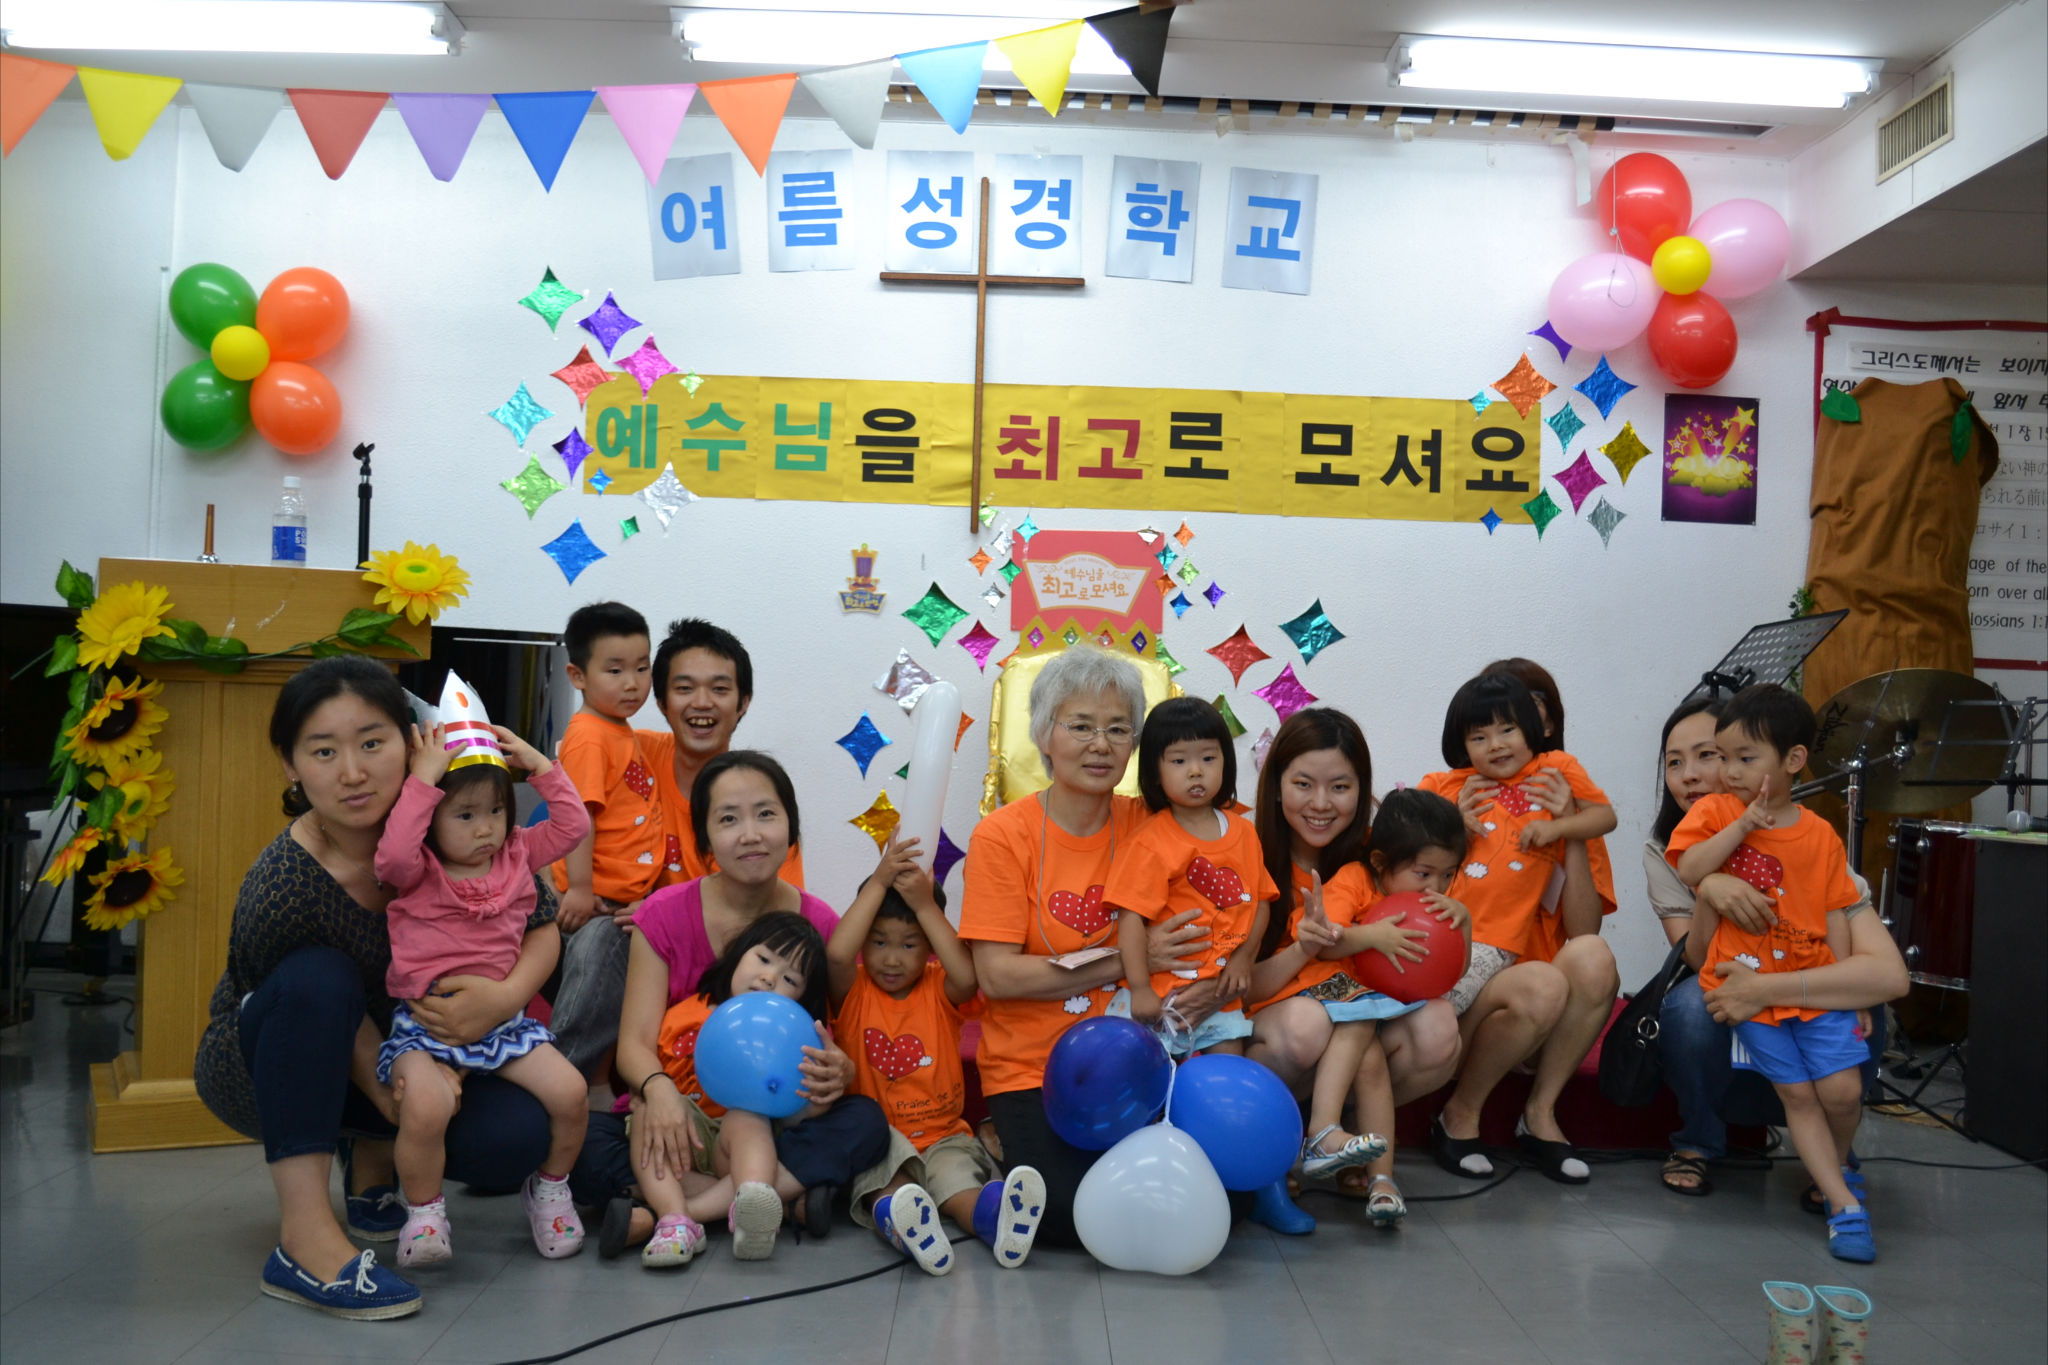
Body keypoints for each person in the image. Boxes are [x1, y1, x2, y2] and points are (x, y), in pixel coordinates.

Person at [194, 657, 559, 1322]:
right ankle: (304, 1240)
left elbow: (543, 923)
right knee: (318, 978)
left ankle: (374, 1156)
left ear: (414, 741)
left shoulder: (463, 821)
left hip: (427, 1047)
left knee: (516, 1137)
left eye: (371, 742)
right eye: (323, 751)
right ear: (290, 766)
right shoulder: (285, 884)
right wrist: (401, 1097)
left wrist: (504, 1000)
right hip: (279, 1064)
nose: (353, 772)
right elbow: (304, 1009)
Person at [570, 751, 883, 1256]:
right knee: (582, 1145)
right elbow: (633, 1045)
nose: (751, 834)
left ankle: (677, 1214)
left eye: (766, 814)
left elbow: (838, 1041)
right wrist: (659, 1093)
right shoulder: (664, 914)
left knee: (865, 1123)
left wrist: (840, 1070)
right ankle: (782, 1199)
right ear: (705, 838)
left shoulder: (819, 926)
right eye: (729, 819)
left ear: (791, 827)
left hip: (773, 1122)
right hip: (681, 1116)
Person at [959, 646, 1218, 1250]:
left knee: (1207, 1201)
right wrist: (1133, 959)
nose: (1100, 745)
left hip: (1140, 1056)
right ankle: (999, 1139)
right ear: (1043, 735)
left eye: (1118, 729)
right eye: (1080, 726)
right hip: (1035, 1065)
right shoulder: (1002, 836)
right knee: (1068, 1217)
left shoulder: (1157, 824)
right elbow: (997, 977)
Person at [1668, 684, 1901, 1264]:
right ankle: (1844, 1206)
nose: (1727, 771)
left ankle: (1833, 1169)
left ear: (1794, 759)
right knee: (1798, 1093)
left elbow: (1835, 916)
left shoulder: (1820, 834)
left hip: (1812, 983)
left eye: (1744, 758)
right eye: (1724, 757)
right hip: (1743, 986)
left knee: (1842, 1093)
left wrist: (1851, 995)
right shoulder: (1715, 812)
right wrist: (1742, 827)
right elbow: (1691, 868)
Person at [373, 720, 592, 1266]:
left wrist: (540, 766)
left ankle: (550, 1189)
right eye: (465, 815)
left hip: (503, 1025)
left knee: (571, 1092)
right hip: (426, 1028)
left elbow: (573, 826)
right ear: (431, 818)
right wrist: (422, 780)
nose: (486, 828)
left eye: (496, 810)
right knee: (425, 1106)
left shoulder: (518, 854)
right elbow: (390, 856)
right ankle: (424, 1214)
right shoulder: (417, 869)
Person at [549, 617, 803, 1084]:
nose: (701, 703)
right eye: (684, 688)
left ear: (743, 702)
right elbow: (566, 819)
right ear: (662, 701)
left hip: (695, 969)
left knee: (605, 939)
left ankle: (566, 1084)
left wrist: (662, 913)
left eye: (720, 689)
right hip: (604, 927)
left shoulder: (756, 804)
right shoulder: (628, 751)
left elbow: (776, 929)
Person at [1244, 707, 1463, 1234]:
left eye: (1339, 786)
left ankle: (1347, 1145)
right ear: (1275, 785)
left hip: (1352, 1005)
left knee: (1436, 1027)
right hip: (1272, 1020)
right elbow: (1240, 987)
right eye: (1303, 784)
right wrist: (1309, 946)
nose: (1321, 803)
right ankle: (1279, 1139)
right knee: (1314, 1023)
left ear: (1361, 789)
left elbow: (1433, 945)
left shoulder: (1384, 856)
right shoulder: (1245, 852)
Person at [1419, 671, 1618, 1184]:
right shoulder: (1446, 788)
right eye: (1480, 734)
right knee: (1526, 985)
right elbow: (1398, 874)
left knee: (1590, 957)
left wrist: (1566, 827)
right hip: (1464, 974)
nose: (1497, 745)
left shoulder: (1559, 784)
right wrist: (1447, 824)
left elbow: (1584, 927)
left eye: (1509, 727)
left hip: (1535, 992)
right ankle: (1459, 1112)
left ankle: (1540, 1112)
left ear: (1540, 726)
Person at [830, 836, 1045, 1276]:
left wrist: (925, 905)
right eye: (879, 942)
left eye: (909, 945)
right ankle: (908, 1226)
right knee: (888, 1186)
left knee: (958, 1184)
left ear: (929, 947)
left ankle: (997, 1219)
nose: (892, 959)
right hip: (880, 1138)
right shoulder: (853, 991)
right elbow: (835, 953)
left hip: (944, 1135)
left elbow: (968, 975)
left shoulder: (938, 987)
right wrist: (881, 879)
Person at [629, 913, 849, 1265]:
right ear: (737, 953)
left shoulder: (793, 1038)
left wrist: (820, 1100)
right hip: (681, 1135)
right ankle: (675, 1220)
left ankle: (753, 1205)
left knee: (748, 1117)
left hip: (737, 1148)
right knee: (644, 1112)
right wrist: (652, 1096)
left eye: (789, 979)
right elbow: (655, 1076)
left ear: (801, 999)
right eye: (763, 959)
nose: (769, 977)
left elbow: (798, 1116)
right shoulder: (684, 1014)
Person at [1311, 789, 1474, 1224]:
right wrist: (1372, 936)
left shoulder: (1439, 903)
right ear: (1381, 862)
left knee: (1374, 1062)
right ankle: (1334, 1142)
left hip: (1384, 1010)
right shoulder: (1355, 879)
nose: (1435, 887)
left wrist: (1464, 923)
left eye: (1448, 875)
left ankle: (1380, 1179)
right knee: (1370, 1064)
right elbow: (1323, 941)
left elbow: (1450, 971)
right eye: (1423, 873)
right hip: (1341, 1003)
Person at [1107, 698, 1277, 1056]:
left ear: (1226, 762)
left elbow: (1260, 902)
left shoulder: (1245, 833)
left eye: (1208, 758)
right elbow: (1130, 918)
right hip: (1159, 997)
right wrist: (1140, 988)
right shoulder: (1149, 841)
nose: (1196, 771)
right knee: (1146, 1076)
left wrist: (1244, 958)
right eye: (1179, 761)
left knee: (1226, 1073)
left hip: (1220, 997)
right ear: (1155, 771)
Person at [548, 602, 663, 1081]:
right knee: (588, 993)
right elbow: (578, 817)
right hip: (597, 902)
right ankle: (555, 1078)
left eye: (642, 668)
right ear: (577, 675)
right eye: (615, 671)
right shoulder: (590, 737)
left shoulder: (616, 729)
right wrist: (579, 887)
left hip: (620, 898)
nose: (632, 683)